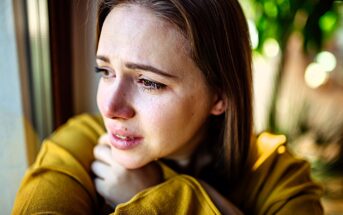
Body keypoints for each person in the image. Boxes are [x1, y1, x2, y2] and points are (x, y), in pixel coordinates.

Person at [12, 0, 323, 214]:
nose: (109, 107)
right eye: (105, 71)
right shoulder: (80, 142)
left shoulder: (281, 179)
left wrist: (167, 195)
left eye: (149, 82)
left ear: (220, 95)